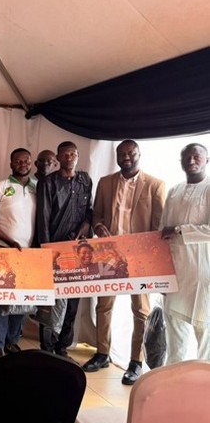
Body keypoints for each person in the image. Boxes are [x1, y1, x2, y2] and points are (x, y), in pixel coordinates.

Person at [82, 139, 165, 384]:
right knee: (103, 306)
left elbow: (158, 225)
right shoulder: (105, 182)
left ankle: (136, 361)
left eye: (131, 153)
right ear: (117, 156)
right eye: (121, 153)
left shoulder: (155, 185)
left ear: (139, 154)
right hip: (109, 255)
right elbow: (97, 214)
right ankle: (102, 354)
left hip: (140, 257)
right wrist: (98, 226)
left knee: (140, 311)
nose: (126, 157)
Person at [36, 141, 93, 357]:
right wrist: (46, 250)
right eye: (65, 154)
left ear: (77, 156)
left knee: (72, 301)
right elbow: (43, 218)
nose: (69, 157)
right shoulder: (48, 182)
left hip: (77, 250)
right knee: (50, 300)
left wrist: (86, 224)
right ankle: (47, 348)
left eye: (72, 154)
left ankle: (62, 347)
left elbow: (90, 209)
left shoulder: (85, 180)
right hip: (54, 249)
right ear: (58, 158)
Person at [0, 148, 37, 359]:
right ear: (11, 164)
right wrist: (8, 241)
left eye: (26, 161)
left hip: (28, 253)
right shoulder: (1, 186)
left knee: (21, 299)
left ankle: (12, 342)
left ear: (31, 163)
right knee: (1, 299)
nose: (23, 164)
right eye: (18, 161)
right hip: (3, 250)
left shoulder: (37, 188)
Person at [161, 143, 210, 363]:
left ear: (207, 160)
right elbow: (162, 233)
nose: (191, 160)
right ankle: (174, 379)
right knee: (175, 338)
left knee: (205, 335)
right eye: (186, 157)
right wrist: (161, 277)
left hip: (202, 275)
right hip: (175, 274)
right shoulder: (174, 191)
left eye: (196, 156)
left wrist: (180, 230)